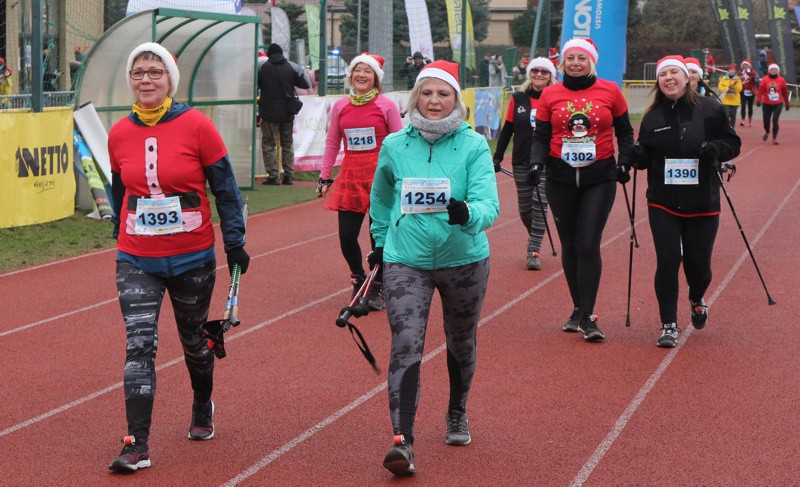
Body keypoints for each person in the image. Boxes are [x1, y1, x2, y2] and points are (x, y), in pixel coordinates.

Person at [106, 42, 250, 472]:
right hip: (136, 258)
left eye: (155, 72)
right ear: (130, 81)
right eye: (138, 73)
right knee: (140, 346)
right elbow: (120, 187)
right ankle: (137, 443)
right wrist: (121, 226)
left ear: (170, 79)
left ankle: (202, 403)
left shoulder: (197, 126)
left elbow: (225, 188)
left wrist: (235, 242)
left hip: (192, 257)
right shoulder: (118, 133)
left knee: (195, 343)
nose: (146, 79)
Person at [369, 60, 499, 476]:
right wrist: (377, 241)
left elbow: (488, 204)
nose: (434, 101)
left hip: (464, 259)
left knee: (460, 342)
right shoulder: (395, 145)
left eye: (443, 94)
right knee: (406, 343)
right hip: (405, 260)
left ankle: (457, 411)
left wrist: (467, 214)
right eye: (427, 93)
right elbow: (381, 198)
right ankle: (402, 440)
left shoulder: (474, 145)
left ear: (456, 99)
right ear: (415, 98)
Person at [527, 37, 634, 342]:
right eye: (570, 58)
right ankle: (579, 307)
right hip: (560, 179)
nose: (575, 63)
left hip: (598, 177)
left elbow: (625, 132)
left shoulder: (610, 90)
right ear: (562, 63)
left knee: (588, 243)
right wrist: (536, 164)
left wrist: (624, 162)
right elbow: (541, 137)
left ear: (592, 62)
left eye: (582, 58)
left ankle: (588, 316)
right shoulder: (550, 94)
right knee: (570, 245)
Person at [632, 55, 740, 347]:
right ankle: (668, 323)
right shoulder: (652, 116)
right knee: (667, 260)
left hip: (702, 201)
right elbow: (644, 158)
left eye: (674, 73)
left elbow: (733, 144)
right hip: (662, 201)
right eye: (663, 74)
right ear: (658, 81)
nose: (669, 78)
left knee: (699, 267)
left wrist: (715, 149)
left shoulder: (711, 109)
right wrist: (635, 155)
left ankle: (696, 296)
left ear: (686, 78)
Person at [317, 53, 402, 309]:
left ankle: (378, 284)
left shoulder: (386, 106)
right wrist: (324, 176)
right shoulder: (341, 106)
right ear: (351, 75)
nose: (361, 75)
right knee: (346, 235)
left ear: (376, 78)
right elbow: (332, 142)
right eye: (357, 70)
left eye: (367, 71)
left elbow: (398, 143)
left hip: (381, 178)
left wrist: (401, 177)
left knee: (378, 236)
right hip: (351, 176)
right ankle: (358, 276)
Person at [493, 57, 557, 270]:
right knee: (525, 209)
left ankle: (534, 251)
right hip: (521, 159)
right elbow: (507, 129)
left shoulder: (555, 97)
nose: (539, 74)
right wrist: (498, 156)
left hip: (547, 160)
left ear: (550, 76)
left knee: (540, 205)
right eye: (535, 70)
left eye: (544, 72)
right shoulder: (518, 98)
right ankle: (536, 236)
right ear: (529, 73)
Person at [257, 43, 310, 185]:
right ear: (282, 54)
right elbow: (306, 85)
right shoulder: (291, 67)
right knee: (287, 144)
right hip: (288, 111)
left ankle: (273, 175)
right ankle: (288, 175)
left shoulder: (262, 67)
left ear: (269, 54)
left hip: (268, 112)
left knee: (269, 144)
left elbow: (254, 85)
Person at [756, 63, 791, 145]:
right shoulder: (765, 79)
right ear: (769, 71)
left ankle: (774, 138)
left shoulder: (781, 80)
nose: (773, 71)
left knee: (775, 120)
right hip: (766, 103)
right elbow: (760, 91)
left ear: (777, 71)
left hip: (778, 103)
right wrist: (758, 100)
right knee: (766, 121)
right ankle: (767, 131)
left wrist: (787, 103)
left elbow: (785, 93)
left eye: (775, 69)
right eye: (771, 69)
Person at [718, 63, 742, 128]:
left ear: (735, 71)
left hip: (735, 101)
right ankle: (726, 128)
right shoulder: (724, 78)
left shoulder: (737, 79)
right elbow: (720, 87)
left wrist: (734, 87)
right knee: (726, 115)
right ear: (728, 70)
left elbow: (739, 88)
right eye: (730, 69)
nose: (732, 71)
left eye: (733, 69)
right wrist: (726, 89)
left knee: (733, 116)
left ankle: (732, 129)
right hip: (726, 101)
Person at [738, 59, 759, 127]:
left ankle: (750, 120)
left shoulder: (753, 72)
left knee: (750, 106)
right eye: (744, 65)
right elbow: (737, 80)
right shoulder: (740, 72)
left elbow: (757, 81)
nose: (745, 66)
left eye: (746, 64)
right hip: (743, 91)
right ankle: (743, 120)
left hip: (751, 91)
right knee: (743, 106)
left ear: (749, 65)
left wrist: (753, 79)